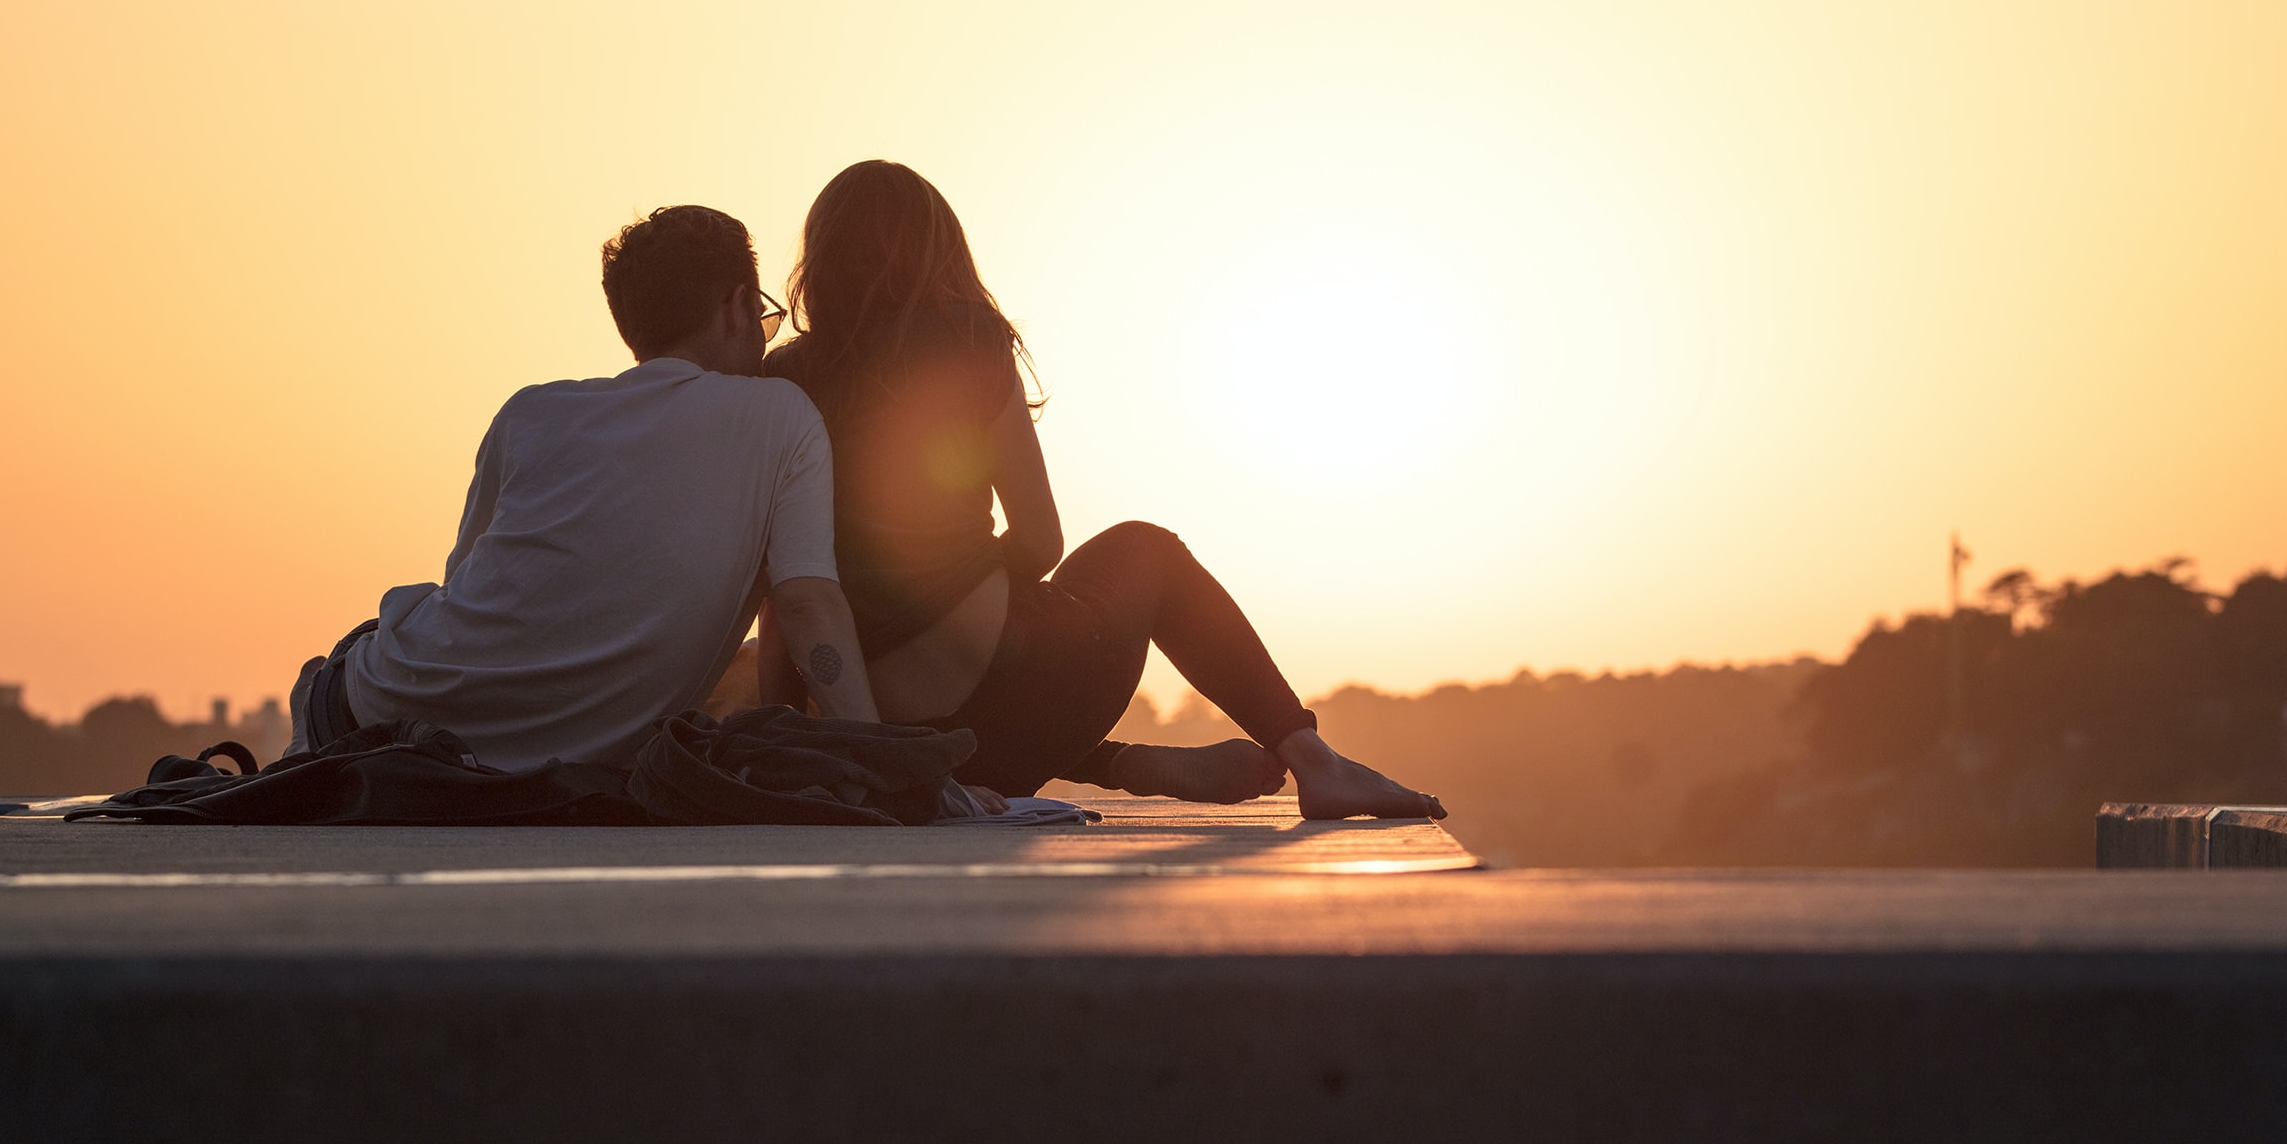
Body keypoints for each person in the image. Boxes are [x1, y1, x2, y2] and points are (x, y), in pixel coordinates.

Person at [758, 160, 1445, 820]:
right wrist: (970, 585)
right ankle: (1315, 762)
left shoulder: (780, 381)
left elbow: (783, 594)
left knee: (979, 683)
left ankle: (1117, 764)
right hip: (1015, 697)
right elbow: (1040, 539)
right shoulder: (968, 339)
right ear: (937, 256)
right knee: (1147, 550)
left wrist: (800, 734)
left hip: (906, 745)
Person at [285, 204, 893, 773]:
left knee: (382, 639)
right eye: (763, 316)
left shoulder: (530, 414)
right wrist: (889, 769)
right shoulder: (782, 417)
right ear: (738, 306)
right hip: (525, 758)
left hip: (376, 713)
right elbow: (808, 603)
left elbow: (472, 590)